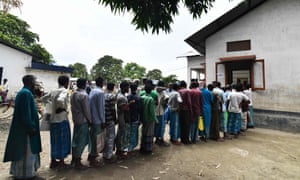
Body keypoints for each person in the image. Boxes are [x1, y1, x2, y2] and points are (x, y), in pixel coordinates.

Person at [3, 75, 43, 179]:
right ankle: (26, 175)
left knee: (23, 152)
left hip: (23, 129)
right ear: (31, 82)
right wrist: (31, 127)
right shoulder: (26, 94)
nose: (36, 85)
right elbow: (26, 115)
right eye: (35, 82)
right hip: (25, 131)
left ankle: (23, 174)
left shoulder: (24, 92)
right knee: (26, 152)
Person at [40, 75, 71, 170]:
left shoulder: (53, 91)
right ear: (66, 83)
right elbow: (60, 100)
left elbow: (43, 99)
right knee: (62, 140)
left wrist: (51, 106)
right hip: (61, 119)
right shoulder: (64, 91)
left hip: (53, 120)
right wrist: (60, 108)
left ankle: (53, 161)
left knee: (54, 140)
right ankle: (61, 162)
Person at [70, 78, 92, 170]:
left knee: (75, 140)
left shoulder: (73, 94)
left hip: (76, 120)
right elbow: (87, 110)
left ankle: (74, 159)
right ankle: (78, 161)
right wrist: (90, 120)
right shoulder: (84, 95)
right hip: (83, 121)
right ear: (84, 84)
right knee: (82, 141)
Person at [88, 77, 105, 167]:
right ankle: (92, 158)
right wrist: (103, 121)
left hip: (92, 118)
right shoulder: (100, 92)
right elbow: (101, 108)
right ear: (102, 83)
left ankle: (91, 154)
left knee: (92, 138)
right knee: (96, 139)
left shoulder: (92, 91)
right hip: (98, 119)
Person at [140, 84, 158, 154]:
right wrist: (156, 120)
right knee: (149, 133)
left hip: (143, 118)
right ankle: (148, 149)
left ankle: (142, 147)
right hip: (150, 119)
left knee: (143, 132)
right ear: (151, 91)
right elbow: (152, 111)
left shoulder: (142, 97)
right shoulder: (150, 99)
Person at [115, 81, 131, 159]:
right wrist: (129, 105)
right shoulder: (121, 97)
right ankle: (120, 151)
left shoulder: (123, 95)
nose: (128, 88)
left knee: (122, 134)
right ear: (123, 87)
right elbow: (122, 108)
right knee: (121, 135)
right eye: (127, 87)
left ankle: (120, 150)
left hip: (123, 118)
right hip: (122, 118)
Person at [103, 82, 117, 163]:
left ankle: (105, 154)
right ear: (113, 88)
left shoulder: (104, 95)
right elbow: (112, 109)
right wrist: (115, 119)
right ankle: (109, 156)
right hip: (110, 119)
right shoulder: (112, 96)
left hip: (104, 119)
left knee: (106, 137)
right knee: (111, 138)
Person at [127, 83, 143, 155]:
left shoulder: (127, 97)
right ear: (136, 89)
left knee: (129, 133)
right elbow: (140, 110)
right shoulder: (138, 98)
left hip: (128, 118)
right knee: (133, 134)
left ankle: (129, 148)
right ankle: (130, 149)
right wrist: (140, 119)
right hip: (135, 118)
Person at [154, 81, 170, 147]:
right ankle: (158, 139)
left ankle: (159, 139)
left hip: (161, 111)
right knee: (158, 127)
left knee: (160, 127)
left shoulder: (162, 92)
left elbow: (166, 100)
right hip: (157, 112)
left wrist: (165, 103)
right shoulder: (155, 92)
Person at [178, 80, 193, 145]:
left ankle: (182, 139)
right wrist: (191, 110)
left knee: (181, 124)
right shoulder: (187, 91)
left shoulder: (178, 91)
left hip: (180, 110)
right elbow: (189, 102)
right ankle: (186, 140)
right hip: (186, 110)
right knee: (187, 125)